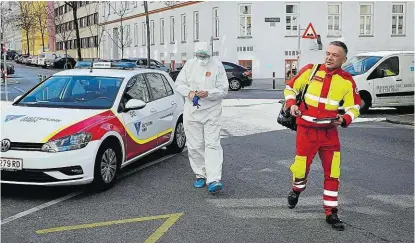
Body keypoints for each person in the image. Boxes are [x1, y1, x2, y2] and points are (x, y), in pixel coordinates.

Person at [283, 41, 362, 231]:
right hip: (306, 131)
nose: (329, 57)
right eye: (328, 53)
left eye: (335, 55)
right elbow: (290, 88)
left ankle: (331, 211)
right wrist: (292, 104)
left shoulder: (347, 80)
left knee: (333, 173)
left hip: (329, 133)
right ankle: (296, 190)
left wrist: (344, 119)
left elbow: (355, 106)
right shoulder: (310, 70)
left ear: (344, 59)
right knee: (300, 169)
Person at [175, 42, 229, 193]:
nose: (202, 58)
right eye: (199, 56)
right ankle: (200, 174)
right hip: (192, 111)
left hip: (212, 110)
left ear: (209, 55)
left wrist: (209, 93)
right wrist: (190, 93)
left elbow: (223, 90)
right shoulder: (190, 65)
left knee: (212, 144)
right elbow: (178, 84)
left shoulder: (217, 66)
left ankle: (214, 179)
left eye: (204, 56)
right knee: (195, 144)